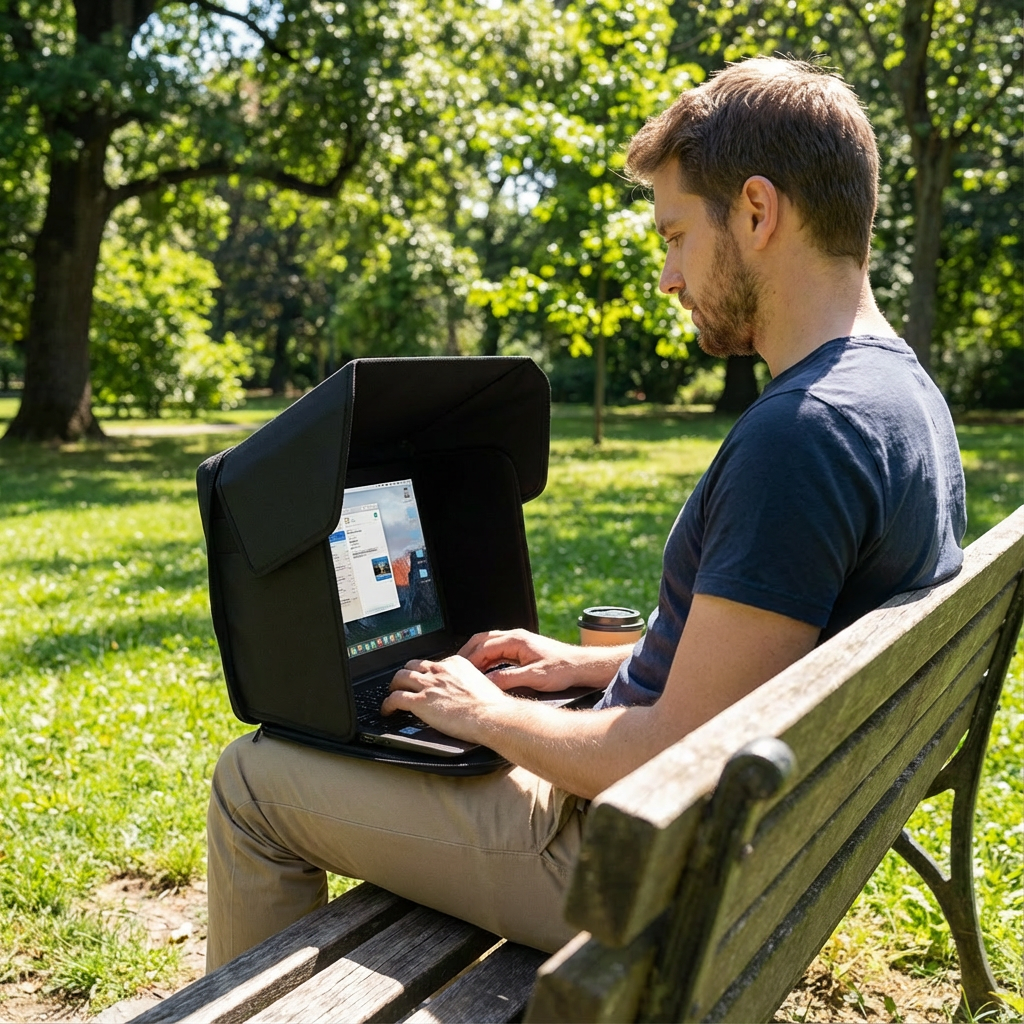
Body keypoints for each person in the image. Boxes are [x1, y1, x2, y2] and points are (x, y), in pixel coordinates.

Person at [205, 56, 966, 970]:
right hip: (761, 855)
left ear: (758, 213)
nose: (667, 276)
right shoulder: (897, 394)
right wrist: (582, 661)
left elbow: (678, 747)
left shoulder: (801, 435)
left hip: (628, 869)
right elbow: (769, 661)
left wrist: (483, 715)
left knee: (251, 778)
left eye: (677, 235)